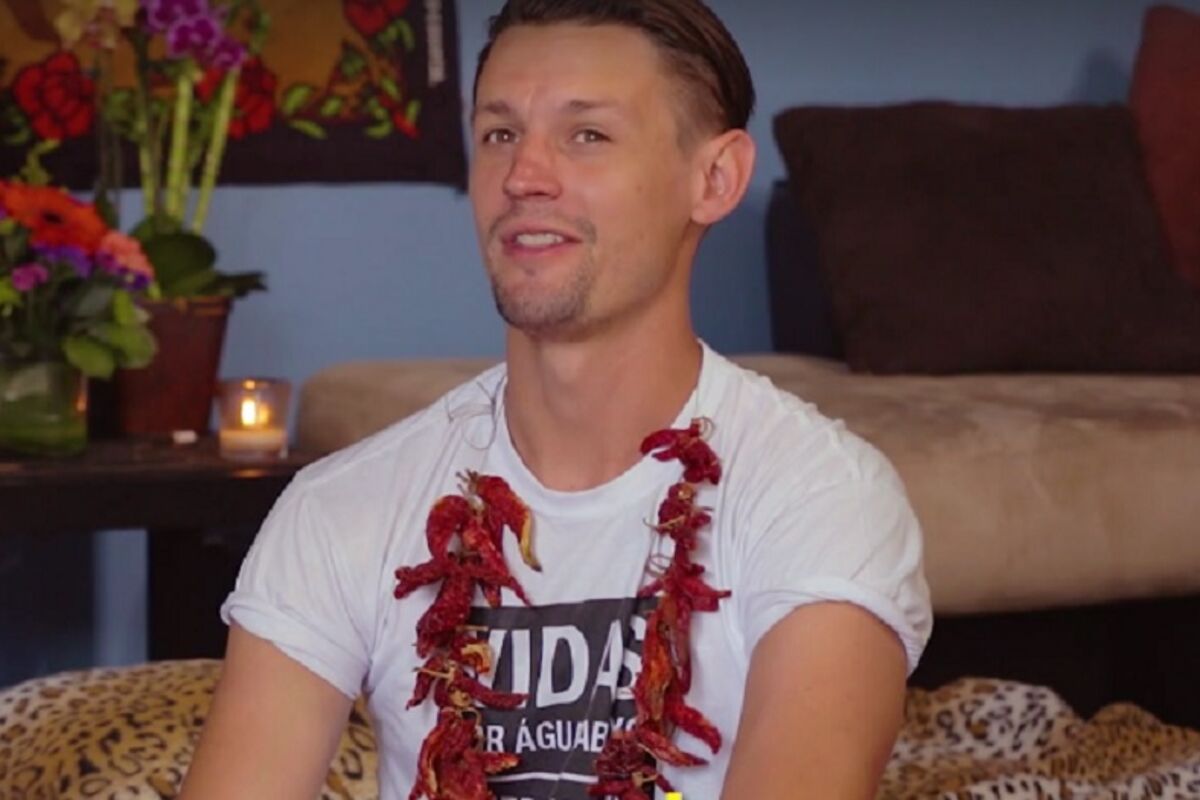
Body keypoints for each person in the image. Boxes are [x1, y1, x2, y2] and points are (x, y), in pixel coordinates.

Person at [180, 1, 932, 798]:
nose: (523, 177)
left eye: (588, 135)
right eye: (500, 133)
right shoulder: (340, 509)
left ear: (713, 179)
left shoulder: (823, 498)